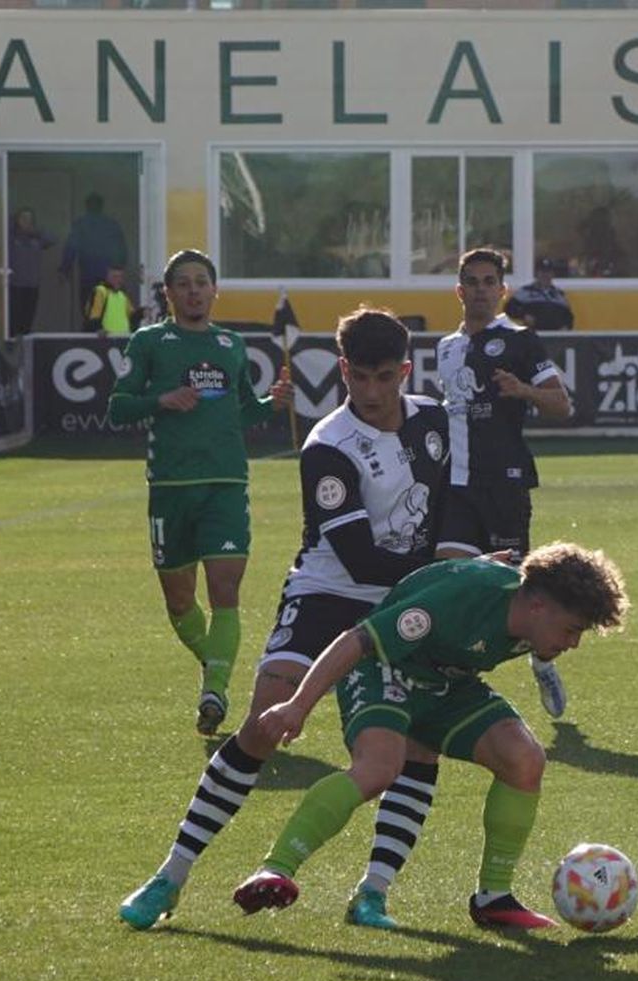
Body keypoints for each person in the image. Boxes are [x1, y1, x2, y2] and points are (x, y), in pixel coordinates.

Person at [117, 307, 444, 931]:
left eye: (384, 378)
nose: (372, 392)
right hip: (328, 594)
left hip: (404, 597)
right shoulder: (328, 444)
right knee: (264, 723)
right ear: (342, 370)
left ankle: (373, 893)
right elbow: (359, 558)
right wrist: (444, 572)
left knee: (414, 744)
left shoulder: (434, 420)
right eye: (359, 378)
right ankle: (170, 876)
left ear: (404, 371)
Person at [230, 544, 629, 930]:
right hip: (385, 667)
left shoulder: (533, 604)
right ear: (538, 607)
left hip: (446, 682)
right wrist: (297, 706)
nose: (573, 643)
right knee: (378, 768)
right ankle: (275, 869)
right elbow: (357, 640)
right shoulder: (463, 597)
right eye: (571, 630)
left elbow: (536, 572)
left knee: (524, 758)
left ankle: (493, 899)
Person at [105, 249, 294, 735]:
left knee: (225, 590)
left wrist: (270, 404)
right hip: (170, 487)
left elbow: (241, 411)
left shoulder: (231, 344)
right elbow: (118, 408)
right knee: (179, 601)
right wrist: (161, 400)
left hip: (226, 484)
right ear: (169, 293)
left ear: (215, 290)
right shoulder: (150, 342)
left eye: (201, 282)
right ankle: (215, 665)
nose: (194, 291)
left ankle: (215, 689)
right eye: (184, 283)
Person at [435, 247, 575, 723]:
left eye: (488, 281)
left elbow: (562, 404)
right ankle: (453, 678)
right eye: (472, 282)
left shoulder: (520, 341)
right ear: (459, 290)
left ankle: (543, 659)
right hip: (456, 485)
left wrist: (524, 391)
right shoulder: (446, 348)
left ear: (502, 290)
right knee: (451, 580)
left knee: (518, 593)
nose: (480, 290)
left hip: (504, 484)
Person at [59, 192, 130, 324]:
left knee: (90, 310)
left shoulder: (81, 224)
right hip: (110, 275)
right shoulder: (111, 225)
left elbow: (71, 247)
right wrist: (120, 270)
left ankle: (92, 332)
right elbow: (121, 249)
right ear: (101, 206)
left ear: (87, 206)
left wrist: (64, 269)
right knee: (110, 309)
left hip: (88, 274)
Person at [8, 207, 53, 337]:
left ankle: (25, 343)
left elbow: (52, 239)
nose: (26, 221)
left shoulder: (37, 239)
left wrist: (36, 232)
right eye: (23, 218)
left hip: (32, 285)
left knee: (28, 320)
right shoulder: (11, 237)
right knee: (14, 321)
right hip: (14, 285)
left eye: (29, 219)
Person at [504, 258, 575, 332]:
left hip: (555, 335)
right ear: (536, 273)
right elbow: (509, 308)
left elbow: (568, 317)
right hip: (532, 334)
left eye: (548, 272)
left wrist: (565, 327)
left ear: (552, 274)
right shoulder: (525, 291)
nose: (545, 275)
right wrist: (523, 315)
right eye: (542, 272)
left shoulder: (559, 294)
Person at [84, 263, 141, 337]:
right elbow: (93, 315)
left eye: (120, 277)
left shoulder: (123, 295)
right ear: (107, 278)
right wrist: (98, 329)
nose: (118, 280)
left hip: (123, 337)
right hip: (106, 339)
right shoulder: (101, 291)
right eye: (114, 277)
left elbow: (132, 316)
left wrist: (142, 313)